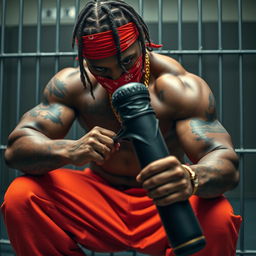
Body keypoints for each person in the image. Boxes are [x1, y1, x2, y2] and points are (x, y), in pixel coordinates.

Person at [1, 1, 242, 256]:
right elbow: (16, 149)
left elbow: (224, 160)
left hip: (165, 202)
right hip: (98, 200)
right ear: (85, 61)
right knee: (22, 196)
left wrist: (189, 178)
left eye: (128, 62)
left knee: (219, 216)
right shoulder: (73, 85)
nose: (119, 78)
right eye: (102, 69)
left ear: (143, 43)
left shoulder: (179, 88)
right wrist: (69, 149)